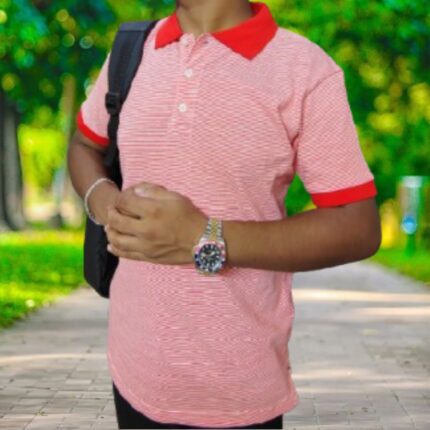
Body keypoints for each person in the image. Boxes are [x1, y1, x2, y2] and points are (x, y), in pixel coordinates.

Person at [67, 0, 381, 428]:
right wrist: (107, 204)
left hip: (239, 387)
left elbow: (357, 225)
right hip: (133, 370)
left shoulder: (304, 70)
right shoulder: (131, 50)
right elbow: (84, 145)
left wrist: (203, 237)